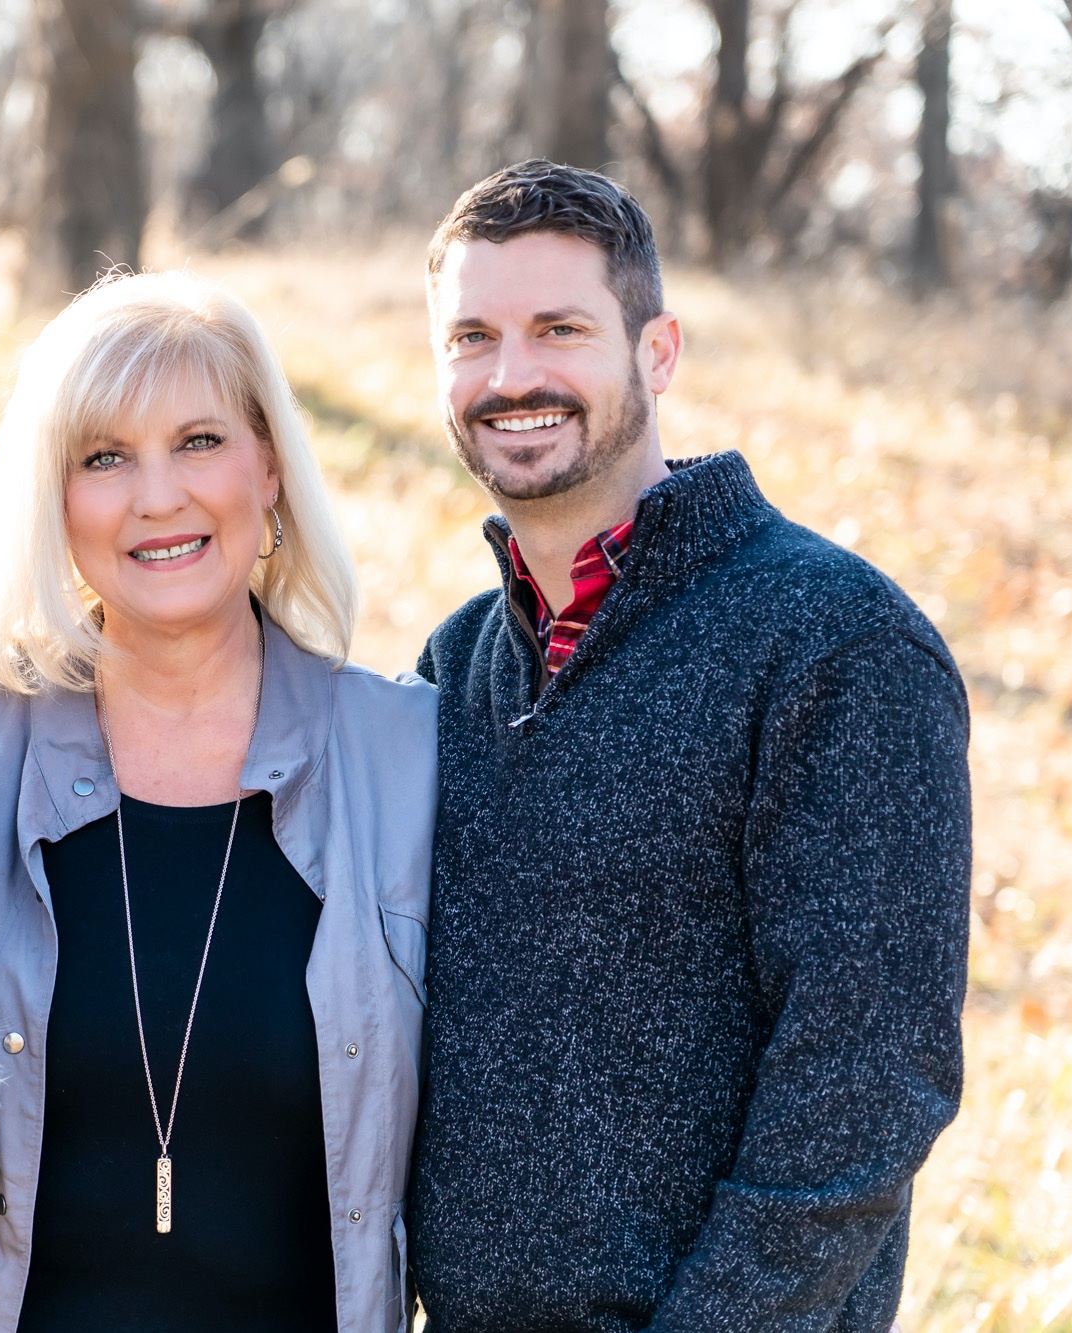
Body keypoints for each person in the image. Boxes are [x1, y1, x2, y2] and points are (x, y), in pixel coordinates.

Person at [408, 160, 970, 1330]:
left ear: (655, 352)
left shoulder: (831, 642)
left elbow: (865, 1082)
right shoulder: (452, 667)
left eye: (558, 328)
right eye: (472, 337)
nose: (511, 377)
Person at [0, 270, 437, 1333]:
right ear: (53, 497)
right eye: (103, 458)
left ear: (268, 464)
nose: (157, 497)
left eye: (197, 442)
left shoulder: (405, 753)